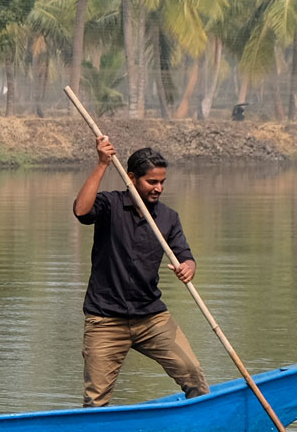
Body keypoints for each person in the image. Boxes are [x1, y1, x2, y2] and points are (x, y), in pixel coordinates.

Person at [71, 138, 210, 408]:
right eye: (152, 182)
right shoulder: (110, 206)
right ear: (131, 178)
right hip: (105, 320)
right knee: (95, 400)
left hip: (151, 318)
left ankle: (200, 427)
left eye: (162, 182)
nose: (158, 188)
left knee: (193, 374)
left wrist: (188, 268)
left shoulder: (168, 218)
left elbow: (185, 256)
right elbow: (81, 210)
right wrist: (102, 164)